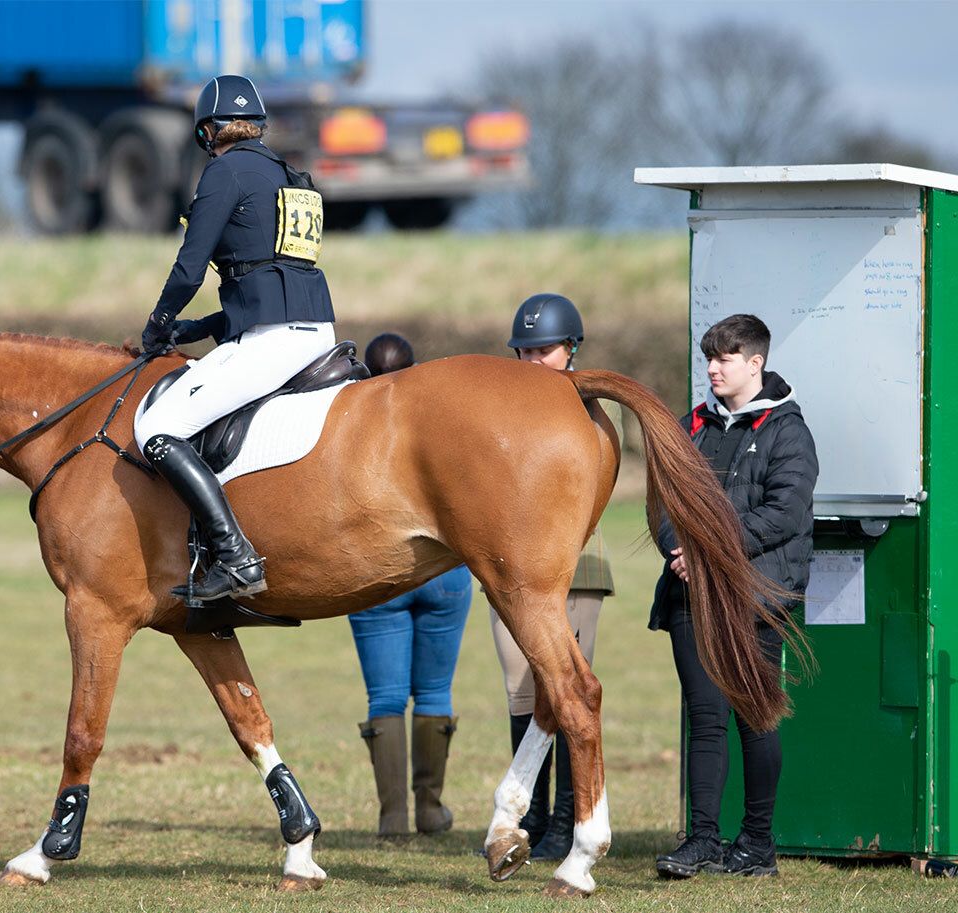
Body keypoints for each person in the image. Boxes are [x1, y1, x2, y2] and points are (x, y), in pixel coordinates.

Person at [134, 74, 336, 604]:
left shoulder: (223, 171)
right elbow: (270, 275)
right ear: (258, 125)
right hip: (317, 329)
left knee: (157, 427)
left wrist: (158, 325)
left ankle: (235, 556)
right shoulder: (292, 176)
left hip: (276, 339)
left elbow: (189, 269)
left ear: (207, 132)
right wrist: (200, 329)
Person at [651, 313, 817, 879]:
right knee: (704, 716)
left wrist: (708, 553)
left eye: (724, 359)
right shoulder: (690, 426)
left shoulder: (787, 430)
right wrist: (679, 550)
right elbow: (663, 500)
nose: (713, 370)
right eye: (709, 359)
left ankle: (757, 845)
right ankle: (701, 839)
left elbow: (784, 513)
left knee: (754, 718)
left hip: (755, 598)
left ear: (755, 363)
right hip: (690, 594)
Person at [491, 293, 616, 860]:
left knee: (565, 686)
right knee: (522, 691)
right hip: (510, 571)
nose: (532, 362)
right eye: (524, 352)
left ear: (571, 349)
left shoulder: (589, 412)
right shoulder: (504, 409)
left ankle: (569, 816)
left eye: (543, 351)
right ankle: (533, 817)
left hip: (576, 566)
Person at [349, 334, 473, 838]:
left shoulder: (349, 426)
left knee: (385, 698)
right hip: (443, 571)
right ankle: (431, 809)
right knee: (435, 691)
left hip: (377, 575)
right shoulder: (443, 422)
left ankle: (393, 817)